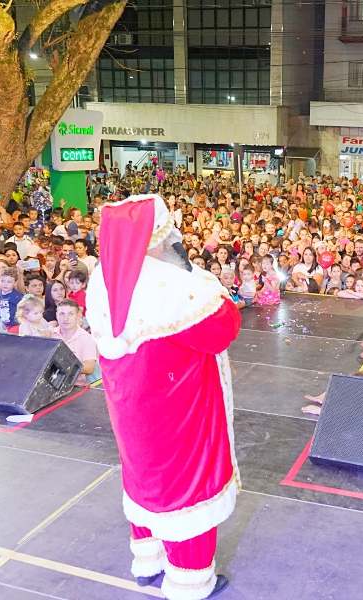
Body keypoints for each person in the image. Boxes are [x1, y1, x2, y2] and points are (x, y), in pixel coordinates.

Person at [87, 194, 240, 598]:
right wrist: (203, 278)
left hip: (131, 409)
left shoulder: (101, 278)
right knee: (185, 486)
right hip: (177, 409)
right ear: (154, 235)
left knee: (143, 477)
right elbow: (223, 328)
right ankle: (189, 582)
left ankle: (147, 561)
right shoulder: (172, 284)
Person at [52, 299, 97, 386]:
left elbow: (90, 367)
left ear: (78, 315)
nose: (66, 318)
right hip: (51, 384)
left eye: (71, 314)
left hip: (75, 386)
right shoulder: (50, 335)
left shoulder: (86, 338)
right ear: (57, 315)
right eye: (62, 314)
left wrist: (65, 365)